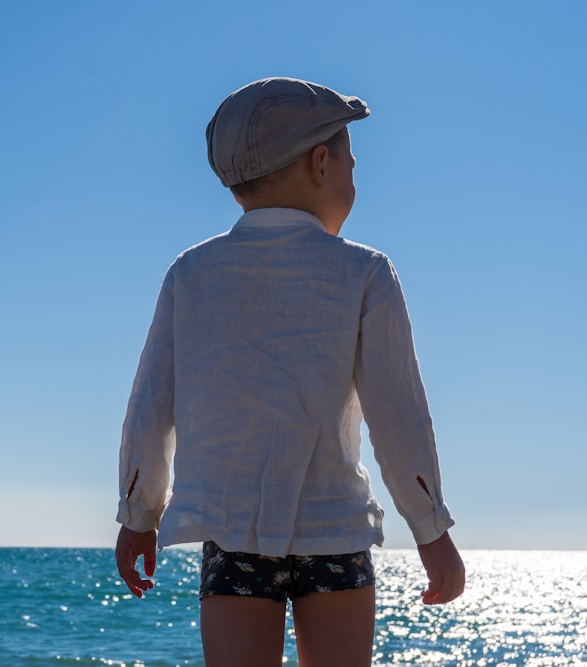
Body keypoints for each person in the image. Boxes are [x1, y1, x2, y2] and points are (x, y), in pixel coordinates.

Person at [114, 77, 466, 667]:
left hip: (232, 535)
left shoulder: (190, 274)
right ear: (321, 163)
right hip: (335, 532)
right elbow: (399, 418)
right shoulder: (365, 273)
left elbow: (151, 408)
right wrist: (432, 533)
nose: (355, 176)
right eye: (352, 161)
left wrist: (137, 515)